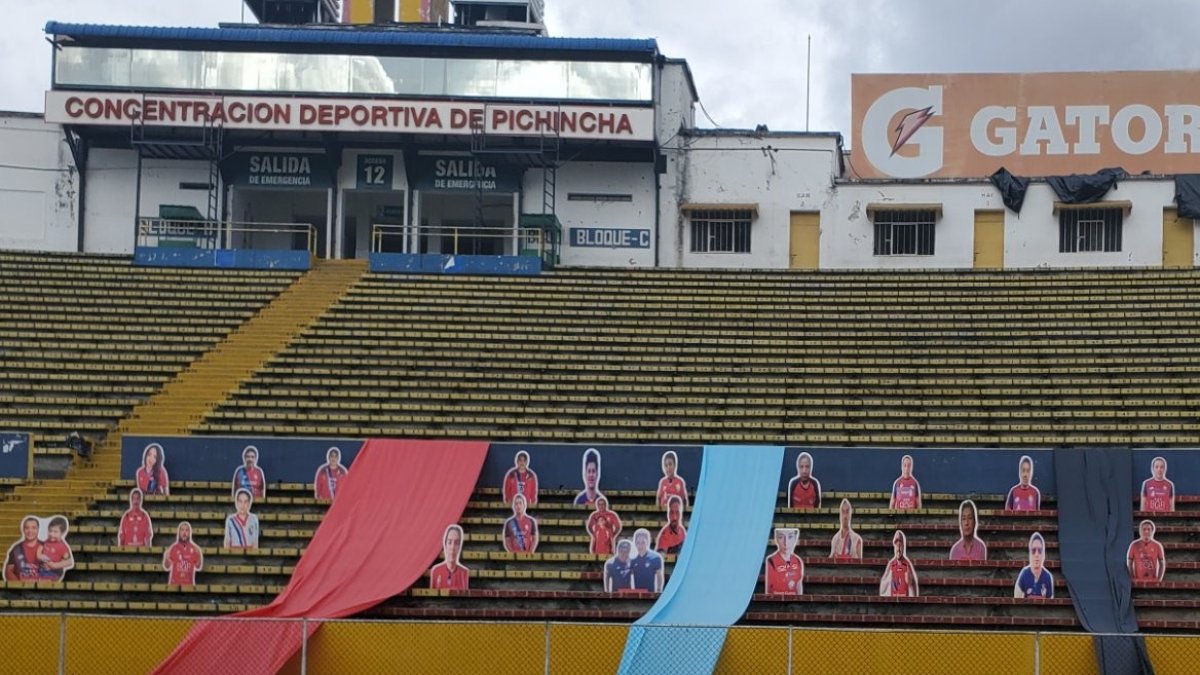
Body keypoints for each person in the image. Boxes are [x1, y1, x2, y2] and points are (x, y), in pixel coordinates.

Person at [429, 524, 470, 590]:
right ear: (445, 545)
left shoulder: (464, 573)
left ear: (459, 546)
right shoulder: (436, 571)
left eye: (456, 543)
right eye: (449, 542)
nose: (452, 547)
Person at [1014, 532, 1054, 599]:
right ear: (1030, 553)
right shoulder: (1024, 574)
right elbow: (1016, 599)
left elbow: (1051, 603)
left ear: (1043, 554)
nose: (1036, 554)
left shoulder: (1048, 577)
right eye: (1033, 550)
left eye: (1040, 550)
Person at [879, 530, 919, 597]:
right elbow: (883, 585)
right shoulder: (891, 564)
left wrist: (911, 582)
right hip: (893, 598)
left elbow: (914, 585)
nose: (898, 549)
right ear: (894, 547)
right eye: (897, 546)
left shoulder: (907, 564)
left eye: (900, 546)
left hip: (904, 599)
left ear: (903, 547)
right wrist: (889, 579)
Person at [764, 528, 804, 595]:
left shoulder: (798, 561)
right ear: (776, 538)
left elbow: (798, 584)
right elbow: (768, 590)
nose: (786, 542)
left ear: (795, 538)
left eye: (790, 537)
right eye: (781, 537)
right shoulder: (770, 561)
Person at [163, 521, 203, 587]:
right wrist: (166, 558)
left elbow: (198, 567)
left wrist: (199, 555)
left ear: (190, 533)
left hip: (189, 586)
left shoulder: (195, 549)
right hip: (174, 585)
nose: (184, 532)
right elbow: (166, 567)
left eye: (187, 530)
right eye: (182, 530)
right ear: (179, 532)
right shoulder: (173, 548)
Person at [4, 517, 43, 582]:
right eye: (27, 528)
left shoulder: (46, 547)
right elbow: (9, 571)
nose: (30, 531)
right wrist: (20, 585)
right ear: (23, 529)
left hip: (43, 589)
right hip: (21, 590)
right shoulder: (16, 549)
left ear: (38, 529)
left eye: (33, 528)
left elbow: (54, 570)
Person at [37, 516, 73, 581]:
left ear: (62, 533)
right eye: (50, 531)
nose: (51, 534)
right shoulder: (46, 541)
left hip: (54, 572)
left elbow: (69, 562)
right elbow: (39, 553)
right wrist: (41, 556)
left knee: (45, 580)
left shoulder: (62, 546)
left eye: (55, 532)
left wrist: (55, 565)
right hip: (42, 569)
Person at [629, 528, 664, 593]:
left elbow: (659, 576)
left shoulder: (655, 558)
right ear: (635, 544)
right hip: (637, 594)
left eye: (643, 542)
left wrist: (659, 590)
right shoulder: (632, 560)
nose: (640, 545)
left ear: (647, 542)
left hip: (650, 594)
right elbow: (628, 577)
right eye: (638, 543)